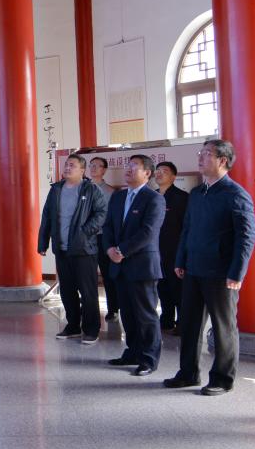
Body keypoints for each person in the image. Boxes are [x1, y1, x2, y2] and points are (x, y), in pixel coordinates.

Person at [163, 139, 255, 396]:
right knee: (189, 324)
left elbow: (246, 236)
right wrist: (181, 259)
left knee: (223, 327)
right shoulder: (197, 193)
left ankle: (222, 379)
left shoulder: (235, 194)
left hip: (221, 273)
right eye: (201, 153)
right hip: (193, 268)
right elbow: (187, 229)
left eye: (206, 154)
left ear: (223, 160)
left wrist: (237, 272)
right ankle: (188, 373)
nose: (200, 157)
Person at [102, 154, 165, 376]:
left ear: (147, 173)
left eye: (134, 166)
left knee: (145, 315)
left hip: (142, 266)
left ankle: (149, 359)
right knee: (127, 313)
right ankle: (132, 352)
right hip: (119, 266)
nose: (128, 169)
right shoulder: (118, 197)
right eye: (127, 166)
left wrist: (121, 251)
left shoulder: (154, 198)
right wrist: (109, 249)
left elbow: (148, 232)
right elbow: (108, 226)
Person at [38, 154, 108, 344]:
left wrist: (85, 232)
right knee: (67, 291)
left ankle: (92, 329)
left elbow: (102, 213)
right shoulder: (56, 189)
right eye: (66, 165)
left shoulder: (91, 189)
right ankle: (73, 326)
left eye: (72, 165)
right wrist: (43, 242)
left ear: (82, 170)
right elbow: (47, 216)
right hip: (62, 249)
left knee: (88, 292)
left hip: (84, 249)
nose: (67, 168)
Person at [154, 161, 188, 333]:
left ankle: (182, 322)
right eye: (157, 170)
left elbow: (187, 227)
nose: (159, 173)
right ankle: (166, 319)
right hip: (155, 251)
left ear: (174, 177)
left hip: (175, 250)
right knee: (162, 287)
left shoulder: (182, 198)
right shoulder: (151, 196)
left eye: (164, 171)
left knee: (178, 289)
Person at [89, 156, 120, 321]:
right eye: (91, 165)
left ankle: (113, 308)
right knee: (87, 275)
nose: (93, 168)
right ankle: (88, 306)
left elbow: (110, 217)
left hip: (102, 237)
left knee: (108, 275)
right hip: (85, 239)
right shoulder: (83, 188)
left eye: (97, 166)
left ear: (104, 170)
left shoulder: (110, 191)